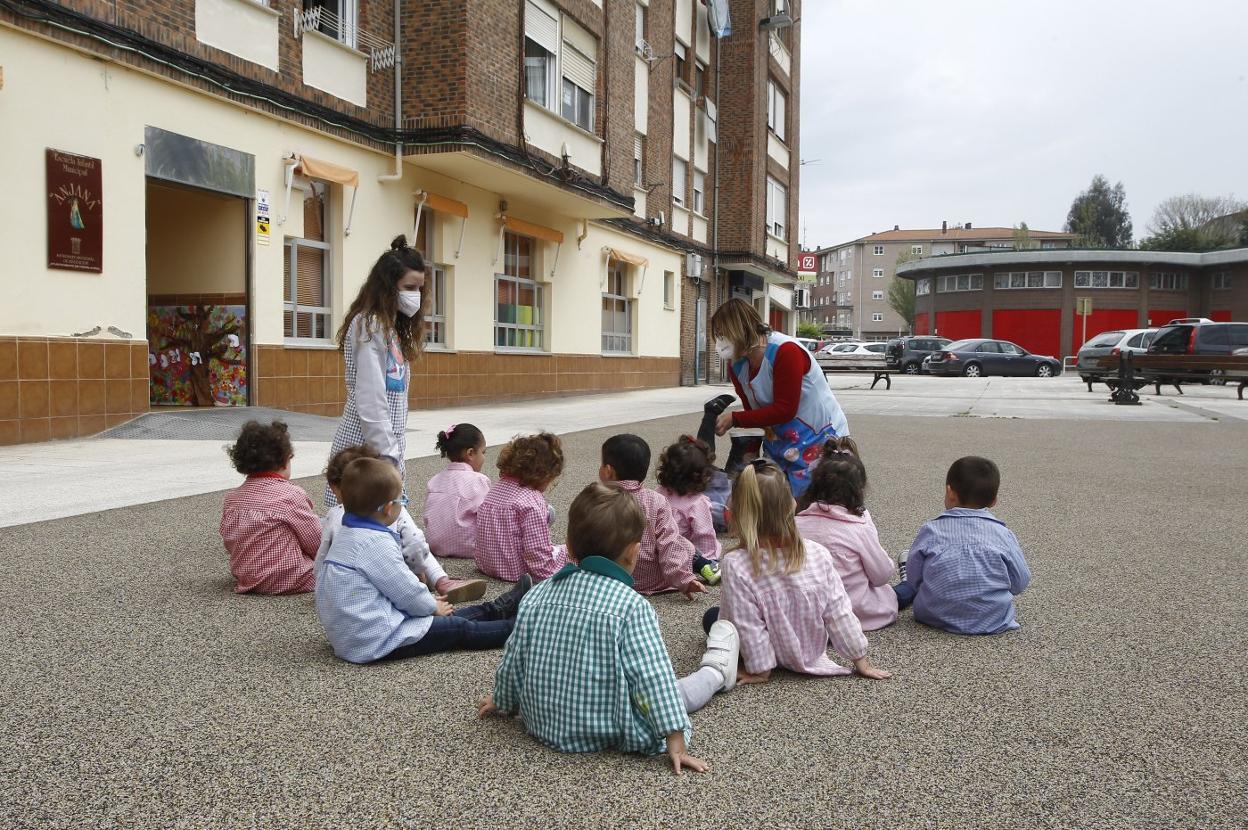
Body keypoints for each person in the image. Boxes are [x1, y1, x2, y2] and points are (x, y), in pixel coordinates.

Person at [478, 483, 739, 775]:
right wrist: (675, 739)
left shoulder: (538, 594)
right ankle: (716, 671)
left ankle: (715, 672)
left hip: (543, 723)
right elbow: (652, 676)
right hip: (606, 726)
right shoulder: (630, 606)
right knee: (678, 691)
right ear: (633, 553)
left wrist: (502, 698)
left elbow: (515, 657)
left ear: (570, 545)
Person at [314, 457, 531, 664]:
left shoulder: (348, 534)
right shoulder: (374, 544)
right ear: (389, 508)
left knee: (448, 615)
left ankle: (497, 608)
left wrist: (431, 606)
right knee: (457, 627)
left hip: (356, 634)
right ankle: (520, 629)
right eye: (402, 500)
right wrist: (430, 606)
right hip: (378, 640)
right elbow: (405, 590)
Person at [705, 459, 891, 683]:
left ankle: (761, 661)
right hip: (809, 649)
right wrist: (859, 657)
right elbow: (839, 611)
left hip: (772, 652)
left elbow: (748, 624)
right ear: (792, 504)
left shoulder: (737, 564)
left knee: (712, 619)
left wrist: (760, 669)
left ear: (739, 513)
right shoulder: (818, 553)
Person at [709, 298, 849, 497]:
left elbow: (785, 409)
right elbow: (755, 412)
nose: (720, 342)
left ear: (741, 330)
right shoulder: (738, 365)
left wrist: (735, 418)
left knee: (810, 503)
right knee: (775, 502)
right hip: (781, 442)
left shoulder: (786, 351)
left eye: (723, 335)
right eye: (717, 335)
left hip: (819, 437)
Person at [325, 235, 427, 507]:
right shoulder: (368, 326)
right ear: (388, 286)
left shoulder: (391, 328)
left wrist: (392, 452)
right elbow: (371, 397)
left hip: (384, 443)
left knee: (381, 519)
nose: (415, 295)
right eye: (409, 287)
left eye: (419, 288)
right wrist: (388, 455)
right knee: (364, 517)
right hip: (365, 442)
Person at [318, 444, 486, 604]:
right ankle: (443, 581)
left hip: (357, 583)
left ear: (336, 486)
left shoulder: (334, 515)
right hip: (399, 573)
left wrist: (321, 583)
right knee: (421, 549)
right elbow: (414, 543)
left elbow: (324, 554)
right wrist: (418, 571)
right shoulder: (392, 508)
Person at [895, 456, 1031, 635]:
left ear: (950, 492)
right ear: (993, 501)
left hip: (933, 615)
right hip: (993, 619)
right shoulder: (1003, 535)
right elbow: (1020, 582)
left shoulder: (931, 531)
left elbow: (914, 579)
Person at [795, 439, 899, 631]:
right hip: (853, 610)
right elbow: (881, 575)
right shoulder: (857, 528)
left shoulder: (794, 524)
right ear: (859, 489)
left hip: (807, 613)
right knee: (902, 591)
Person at [599, 434, 707, 599]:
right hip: (652, 579)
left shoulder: (597, 498)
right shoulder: (656, 500)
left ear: (608, 471)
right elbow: (669, 543)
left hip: (609, 578)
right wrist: (683, 579)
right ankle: (702, 564)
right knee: (681, 542)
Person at [219, 420, 321, 595]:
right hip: (292, 578)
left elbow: (230, 541)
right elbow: (316, 541)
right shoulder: (290, 495)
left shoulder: (232, 499)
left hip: (248, 578)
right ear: (284, 461)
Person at [475, 432, 567, 581]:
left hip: (487, 565)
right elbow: (537, 553)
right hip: (516, 571)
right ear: (544, 474)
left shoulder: (496, 489)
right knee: (570, 552)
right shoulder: (531, 501)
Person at [655, 435, 722, 584]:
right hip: (684, 552)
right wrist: (709, 558)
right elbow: (704, 535)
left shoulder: (659, 492)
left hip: (659, 550)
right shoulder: (697, 503)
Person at [423, 423, 490, 558]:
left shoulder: (435, 480)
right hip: (469, 547)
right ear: (470, 453)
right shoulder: (478, 480)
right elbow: (487, 516)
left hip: (434, 544)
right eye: (483, 452)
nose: (484, 457)